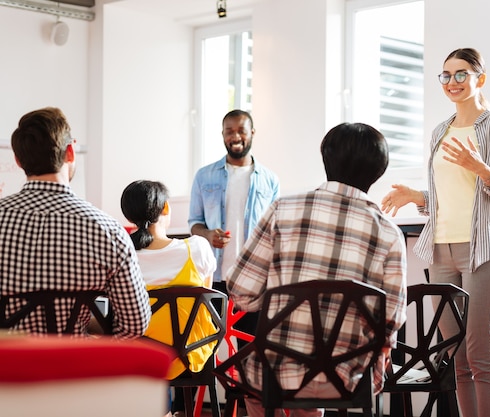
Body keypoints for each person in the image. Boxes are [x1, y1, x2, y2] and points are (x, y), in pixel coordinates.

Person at [381, 48, 490, 417]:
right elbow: (453, 199)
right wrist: (418, 196)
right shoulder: (439, 132)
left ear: (480, 78)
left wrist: (484, 170)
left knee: (481, 352)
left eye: (461, 74)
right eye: (445, 75)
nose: (452, 82)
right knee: (455, 354)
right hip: (441, 251)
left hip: (482, 252)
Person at [227, 122, 408, 417]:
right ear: (379, 171)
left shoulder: (281, 210)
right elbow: (390, 322)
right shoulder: (389, 233)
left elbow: (241, 293)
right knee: (314, 386)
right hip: (351, 376)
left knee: (258, 383)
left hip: (277, 371)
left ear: (326, 157)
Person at [0, 107, 151, 338]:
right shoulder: (110, 231)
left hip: (7, 370)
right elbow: (135, 324)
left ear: (18, 160)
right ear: (70, 152)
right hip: (75, 370)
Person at [121, 180, 217, 417]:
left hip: (138, 357)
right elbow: (206, 298)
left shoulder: (123, 256)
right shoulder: (197, 248)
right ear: (165, 208)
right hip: (190, 353)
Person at [188, 109, 280, 340]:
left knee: (249, 345)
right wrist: (208, 234)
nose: (235, 136)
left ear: (252, 133)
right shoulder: (204, 176)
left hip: (255, 277)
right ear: (222, 135)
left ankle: (243, 379)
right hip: (214, 276)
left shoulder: (270, 180)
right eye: (229, 131)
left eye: (241, 130)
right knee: (208, 342)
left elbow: (275, 231)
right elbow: (194, 223)